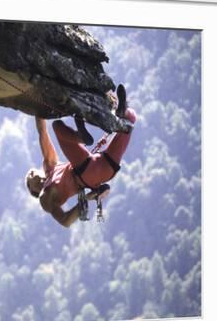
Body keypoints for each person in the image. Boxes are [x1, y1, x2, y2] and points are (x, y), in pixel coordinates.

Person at [25, 84, 137, 227]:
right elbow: (65, 221)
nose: (30, 174)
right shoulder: (44, 199)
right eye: (28, 181)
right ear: (33, 190)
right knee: (58, 128)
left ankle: (92, 131)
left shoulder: (50, 167)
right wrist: (87, 199)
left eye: (30, 172)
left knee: (130, 118)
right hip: (90, 171)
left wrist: (37, 99)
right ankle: (82, 137)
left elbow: (42, 132)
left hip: (97, 167)